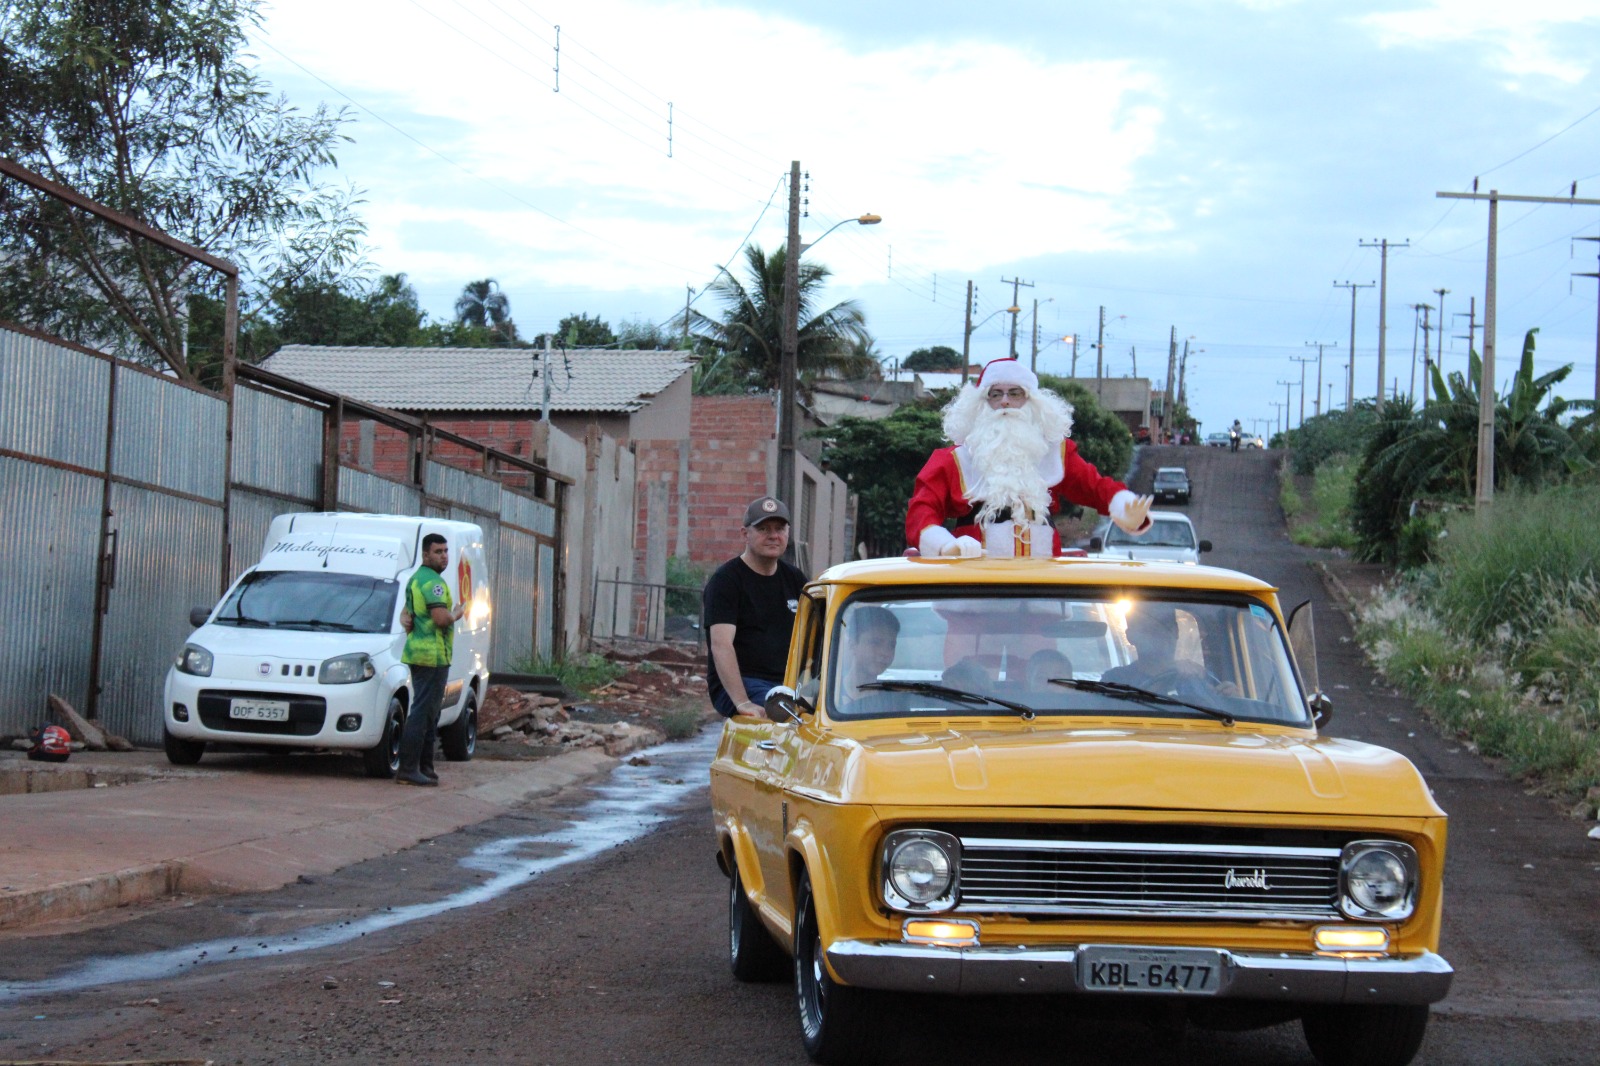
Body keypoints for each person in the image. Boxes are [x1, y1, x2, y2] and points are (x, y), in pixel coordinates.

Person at [906, 358, 1152, 559]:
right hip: (975, 593)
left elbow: (1096, 487)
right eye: (995, 394)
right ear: (981, 403)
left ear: (1032, 402)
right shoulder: (954, 460)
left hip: (1043, 592)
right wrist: (945, 545)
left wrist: (1125, 509)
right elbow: (922, 510)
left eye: (1015, 393)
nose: (1005, 401)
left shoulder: (1055, 454)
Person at [703, 496, 808, 718]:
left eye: (779, 528)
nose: (773, 535)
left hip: (788, 683)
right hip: (743, 683)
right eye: (763, 529)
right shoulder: (726, 581)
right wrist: (743, 702)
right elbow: (721, 646)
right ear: (745, 534)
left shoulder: (795, 579)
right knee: (791, 713)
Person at [396, 533, 465, 786]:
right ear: (425, 555)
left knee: (430, 714)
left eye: (446, 551)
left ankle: (425, 767)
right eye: (438, 552)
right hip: (430, 657)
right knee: (422, 712)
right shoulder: (433, 583)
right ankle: (409, 769)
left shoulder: (417, 578)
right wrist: (456, 614)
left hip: (423, 655)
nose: (444, 556)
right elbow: (440, 618)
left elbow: (409, 612)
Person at [1102, 604, 1235, 698]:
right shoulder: (1115, 680)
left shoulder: (1200, 677)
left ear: (1177, 632)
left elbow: (1223, 718)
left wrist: (1232, 696)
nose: (1161, 634)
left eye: (1167, 627)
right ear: (1131, 636)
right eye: (1148, 628)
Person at [835, 605, 900, 712]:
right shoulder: (826, 694)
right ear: (852, 644)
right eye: (875, 642)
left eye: (891, 645)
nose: (885, 652)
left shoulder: (894, 700)